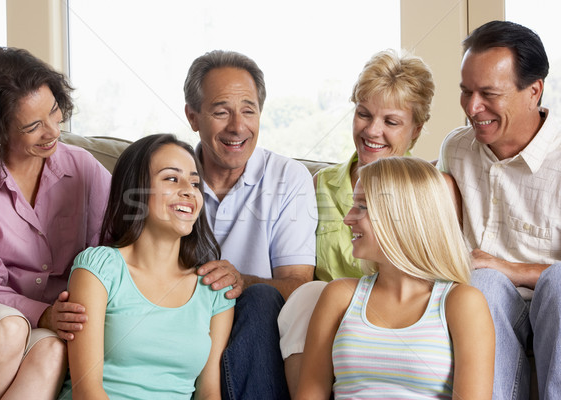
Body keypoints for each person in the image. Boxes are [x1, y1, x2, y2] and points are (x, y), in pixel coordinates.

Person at [278, 49, 449, 397]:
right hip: (328, 319)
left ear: (416, 128)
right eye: (363, 114)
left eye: (391, 121)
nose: (373, 131)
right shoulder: (319, 184)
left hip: (405, 317)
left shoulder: (432, 188)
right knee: (309, 293)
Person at [0, 47, 110, 399]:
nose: (53, 132)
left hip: (49, 319)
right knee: (9, 328)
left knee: (54, 350)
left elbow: (117, 243)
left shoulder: (82, 167)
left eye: (55, 114)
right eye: (33, 126)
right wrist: (45, 315)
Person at [296, 157, 495, 399]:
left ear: (403, 216)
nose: (348, 218)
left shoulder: (462, 302)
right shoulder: (339, 296)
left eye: (363, 206)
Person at [437, 20, 561, 399]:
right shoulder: (456, 149)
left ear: (533, 91)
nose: (473, 108)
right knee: (482, 286)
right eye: (466, 92)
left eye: (489, 93)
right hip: (485, 296)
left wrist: (510, 269)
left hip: (552, 300)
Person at [183, 50, 317, 399]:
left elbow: (300, 284)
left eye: (248, 110)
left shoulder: (289, 177)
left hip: (256, 326)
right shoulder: (168, 173)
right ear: (193, 116)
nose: (237, 127)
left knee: (259, 298)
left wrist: (243, 281)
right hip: (185, 318)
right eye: (221, 111)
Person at [63, 134, 234, 399]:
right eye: (171, 178)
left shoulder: (213, 290)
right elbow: (87, 390)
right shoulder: (98, 269)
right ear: (135, 191)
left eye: (195, 182)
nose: (189, 190)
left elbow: (209, 393)